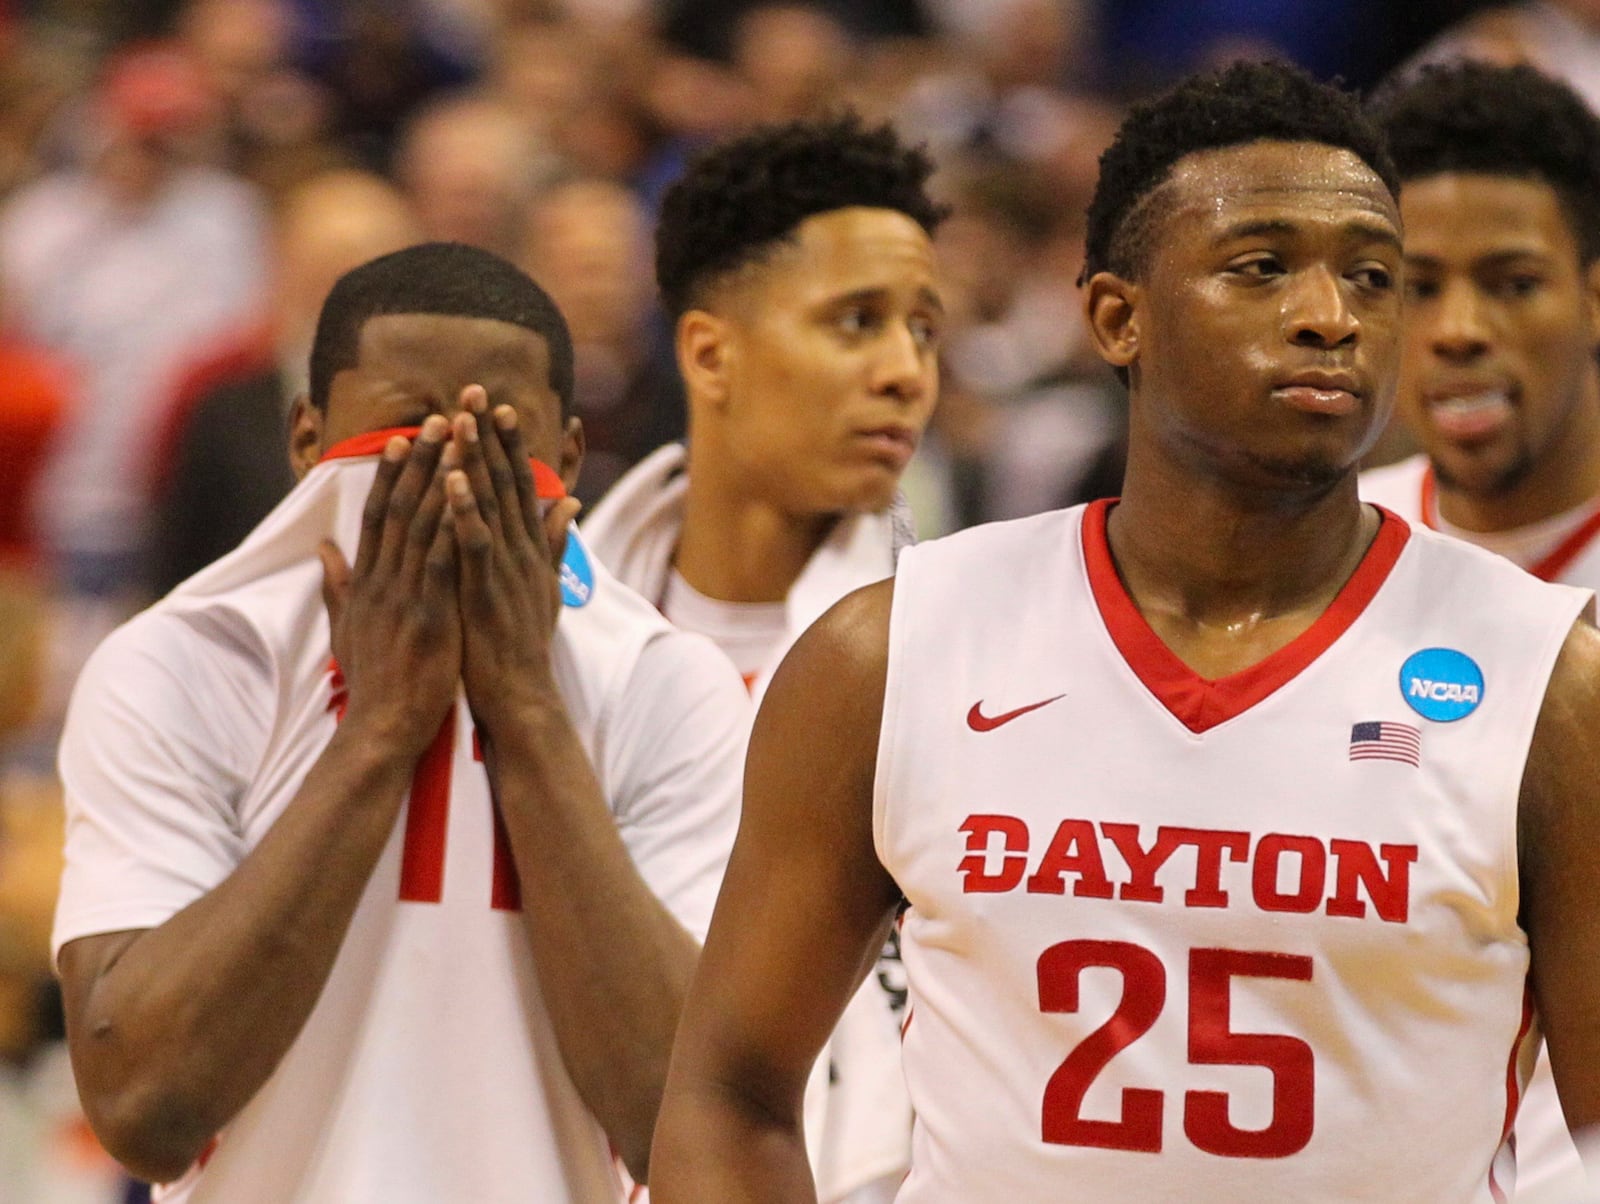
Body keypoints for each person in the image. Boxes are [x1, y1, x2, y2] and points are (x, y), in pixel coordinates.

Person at [650, 60, 1600, 1201]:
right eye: (1262, 268)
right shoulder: (893, 653)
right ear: (1115, 316)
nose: (1329, 316)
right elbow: (727, 1090)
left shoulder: (1548, 686)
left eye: (1372, 277)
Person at [51, 242, 751, 1201]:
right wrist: (381, 729)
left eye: (500, 449)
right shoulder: (182, 663)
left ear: (574, 459)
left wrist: (527, 712)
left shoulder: (666, 683)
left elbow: (680, 1123)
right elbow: (142, 1110)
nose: (449, 480)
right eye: (404, 438)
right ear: (305, 439)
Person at [581, 111, 946, 1203]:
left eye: (924, 330)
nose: (904, 373)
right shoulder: (546, 632)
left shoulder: (965, 649)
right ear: (709, 351)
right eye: (856, 321)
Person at [1362, 60, 1600, 1199]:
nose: (1456, 331)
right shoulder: (1319, 558)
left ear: (1595, 295)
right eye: (1414, 285)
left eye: (1510, 282)